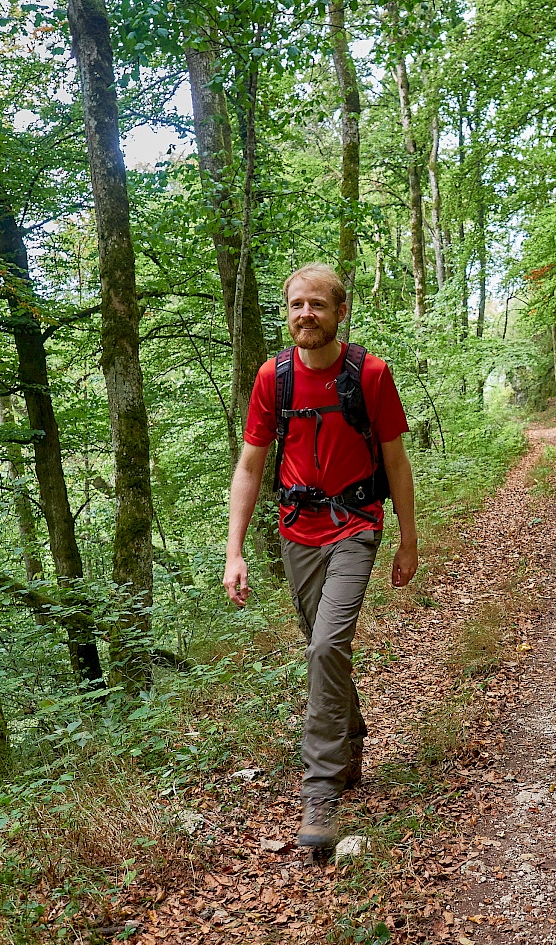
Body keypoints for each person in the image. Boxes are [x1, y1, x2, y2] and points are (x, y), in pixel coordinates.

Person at [223, 262, 418, 851]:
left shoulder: (371, 375)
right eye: (297, 305)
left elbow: (396, 461)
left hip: (356, 525)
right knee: (321, 646)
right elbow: (251, 466)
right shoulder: (272, 378)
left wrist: (408, 539)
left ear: (340, 312)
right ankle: (352, 742)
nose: (305, 314)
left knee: (327, 644)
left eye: (318, 305)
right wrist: (234, 552)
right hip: (295, 533)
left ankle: (320, 794)